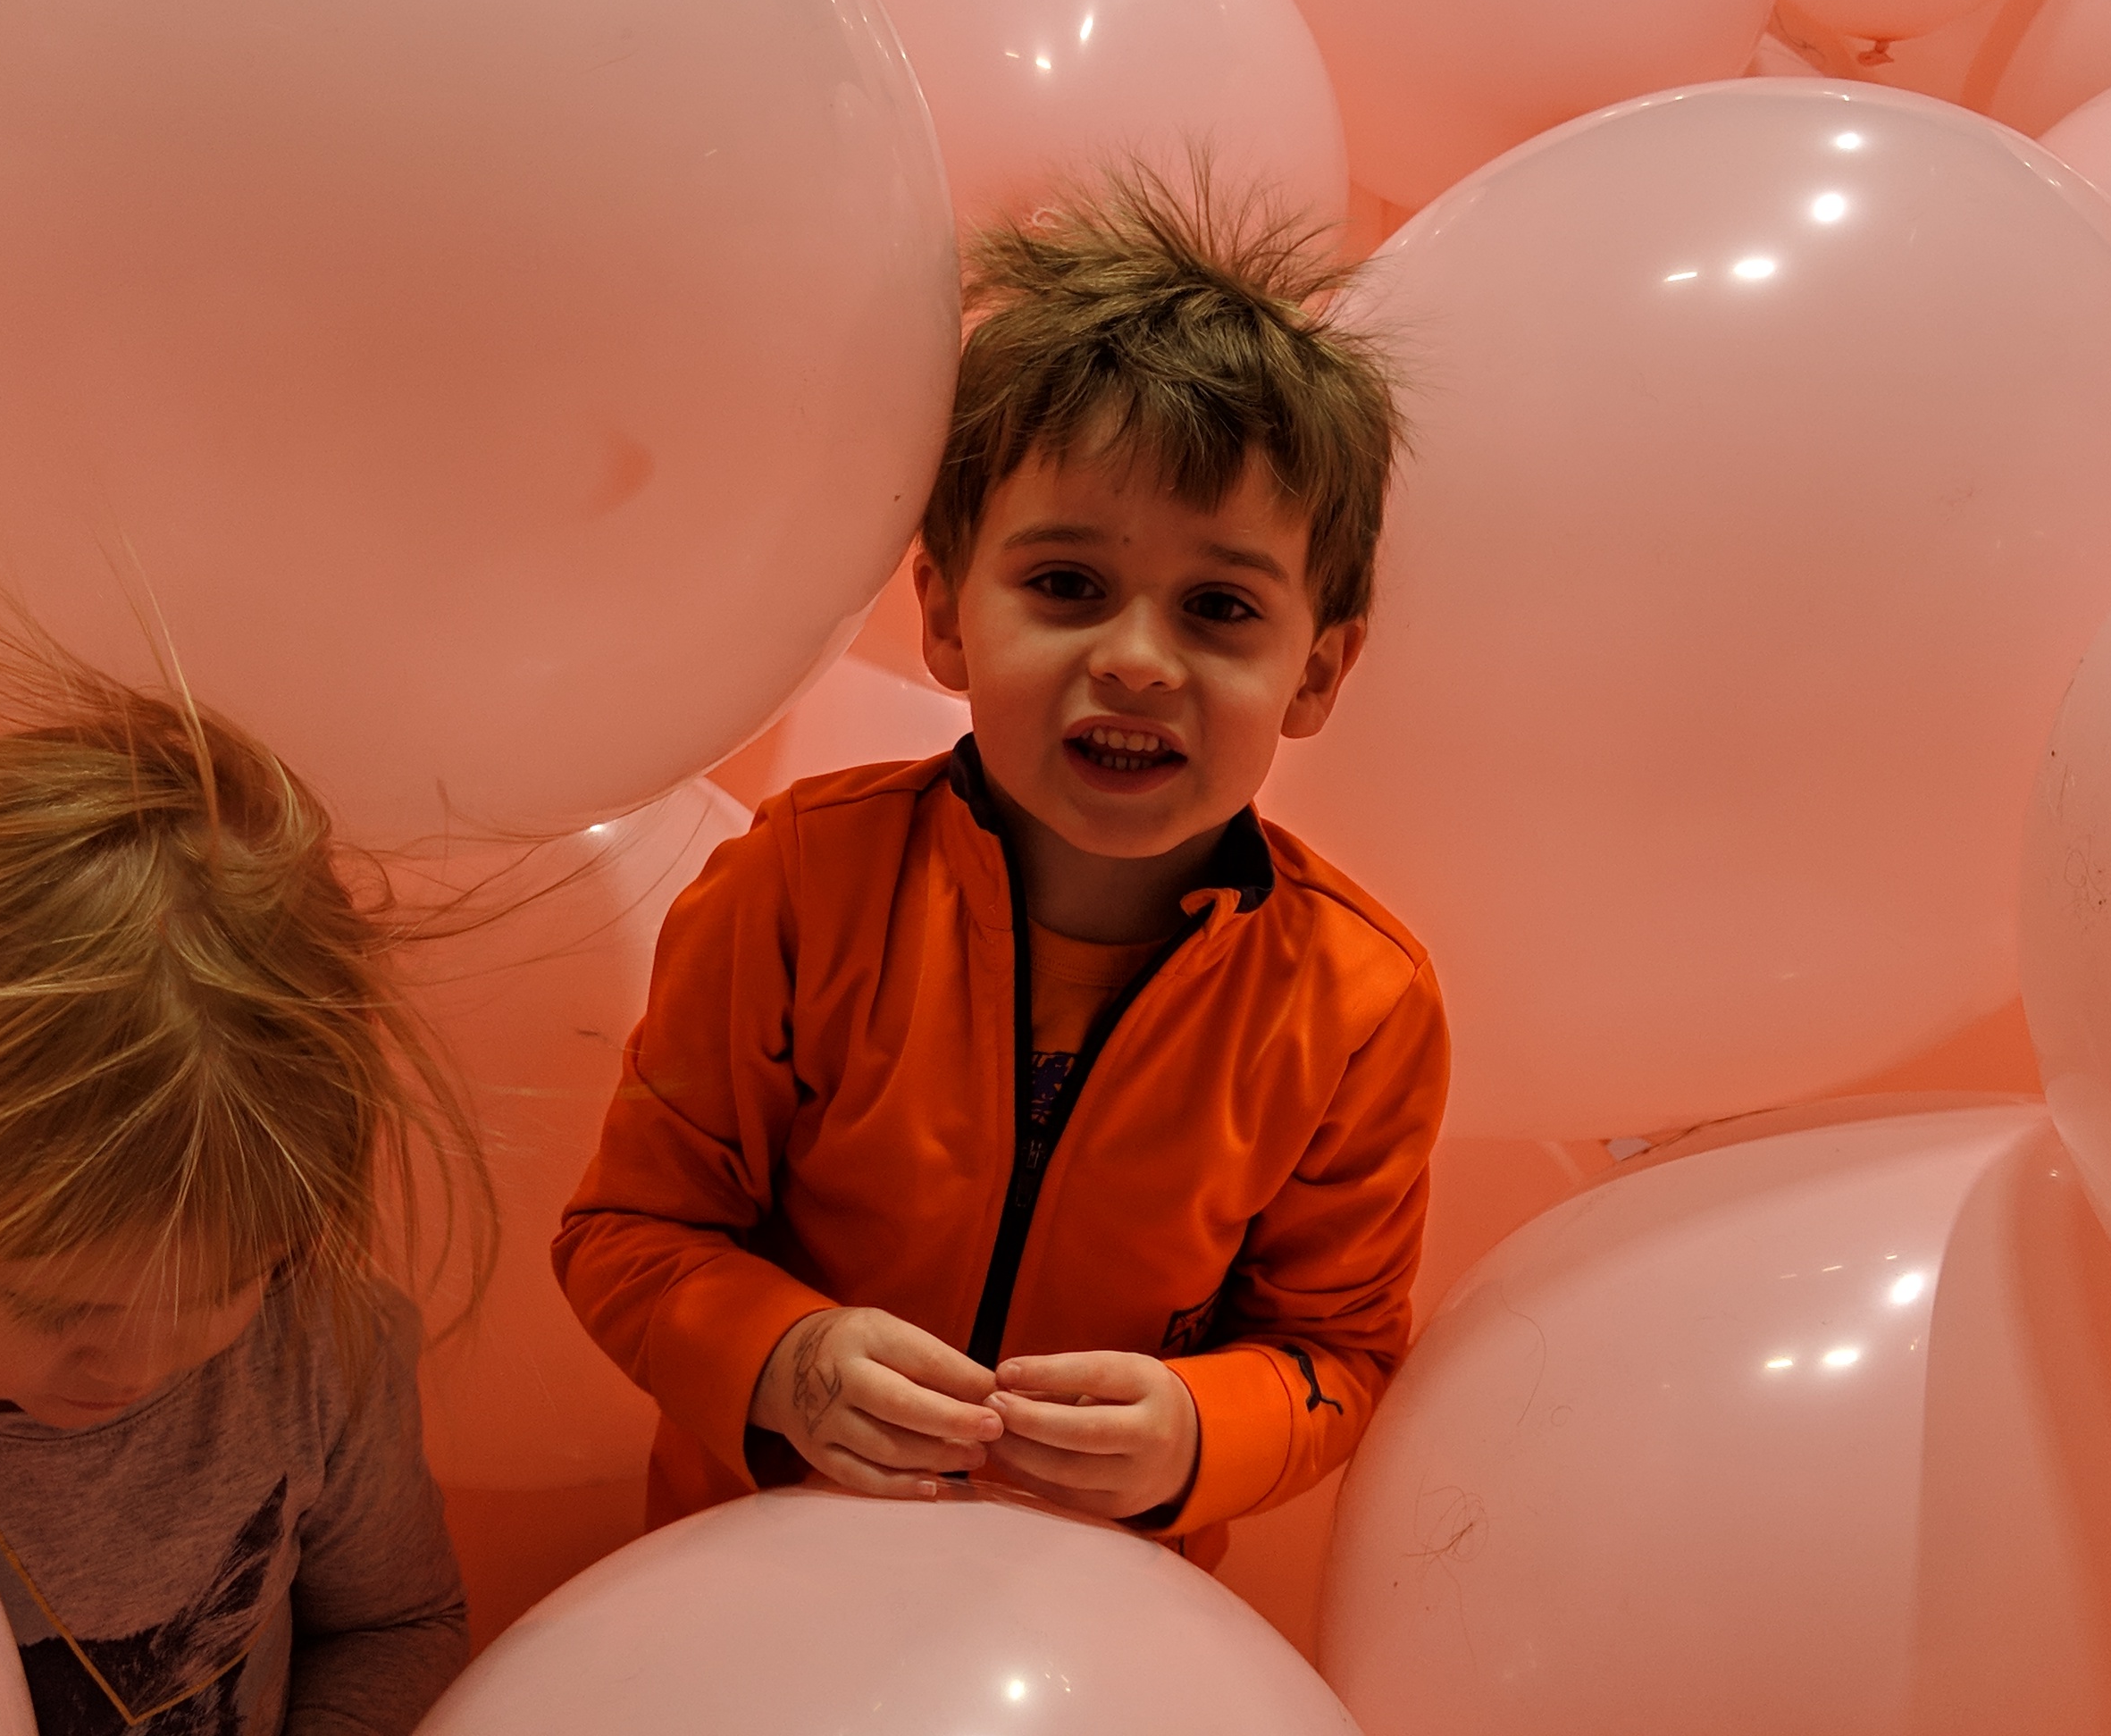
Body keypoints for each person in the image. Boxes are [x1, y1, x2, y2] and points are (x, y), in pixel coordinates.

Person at [556, 176, 1446, 1564]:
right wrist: (781, 1358)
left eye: (1219, 608)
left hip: (1090, 1615)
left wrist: (1199, 1430)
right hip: (757, 1579)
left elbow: (1336, 1354)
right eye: (1067, 586)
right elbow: (628, 1232)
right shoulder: (794, 886)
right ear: (946, 616)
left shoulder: (1359, 1008)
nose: (1138, 659)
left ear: (1316, 673)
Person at [0, 666, 488, 1736]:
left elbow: (398, 1622)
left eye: (223, 1289)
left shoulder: (319, 1353)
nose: (132, 1368)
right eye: (53, 1306)